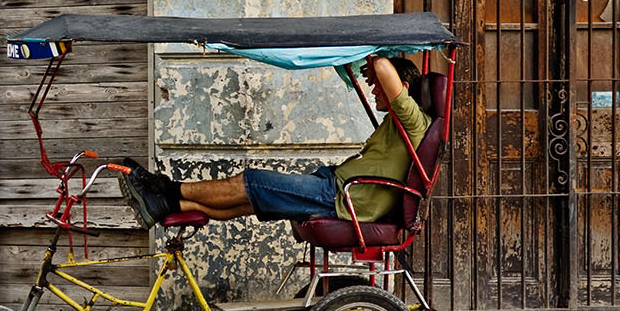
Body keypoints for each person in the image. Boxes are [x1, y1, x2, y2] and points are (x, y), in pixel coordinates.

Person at [119, 55, 430, 229]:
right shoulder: (397, 121)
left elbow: (383, 69)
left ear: (401, 88)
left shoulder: (413, 120)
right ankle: (165, 204)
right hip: (336, 187)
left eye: (377, 87)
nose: (374, 90)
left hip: (342, 197)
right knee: (248, 201)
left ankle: (162, 187)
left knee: (253, 181)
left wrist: (376, 58)